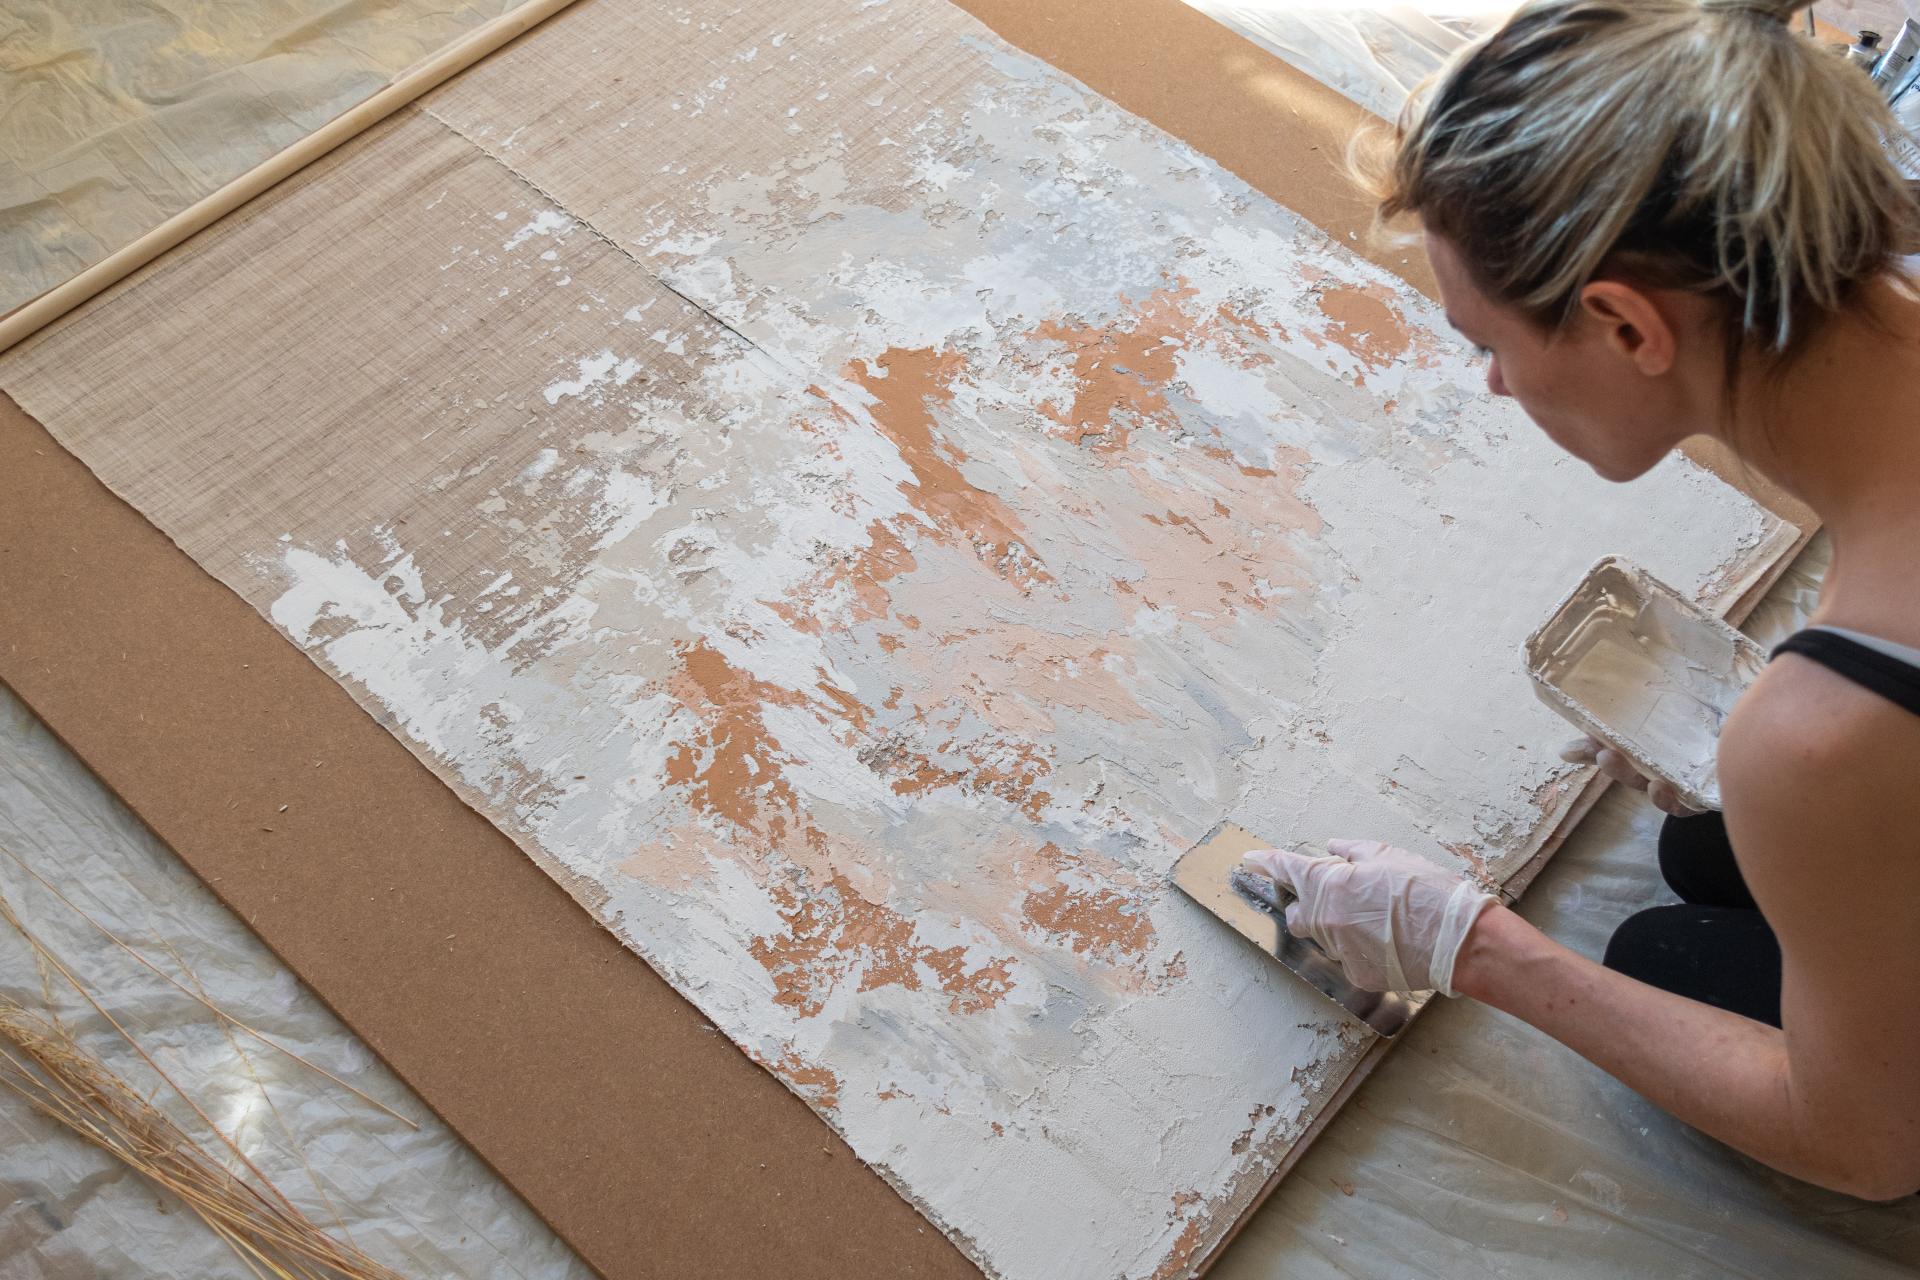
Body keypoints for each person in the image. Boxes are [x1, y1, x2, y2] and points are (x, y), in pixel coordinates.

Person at [1244, 0, 1920, 1201]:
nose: (1496, 383)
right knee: (1710, 844)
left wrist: (1476, 943)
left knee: (1660, 952)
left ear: (1620, 321)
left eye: (1485, 342)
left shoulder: (1827, 731)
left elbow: (1869, 1143)